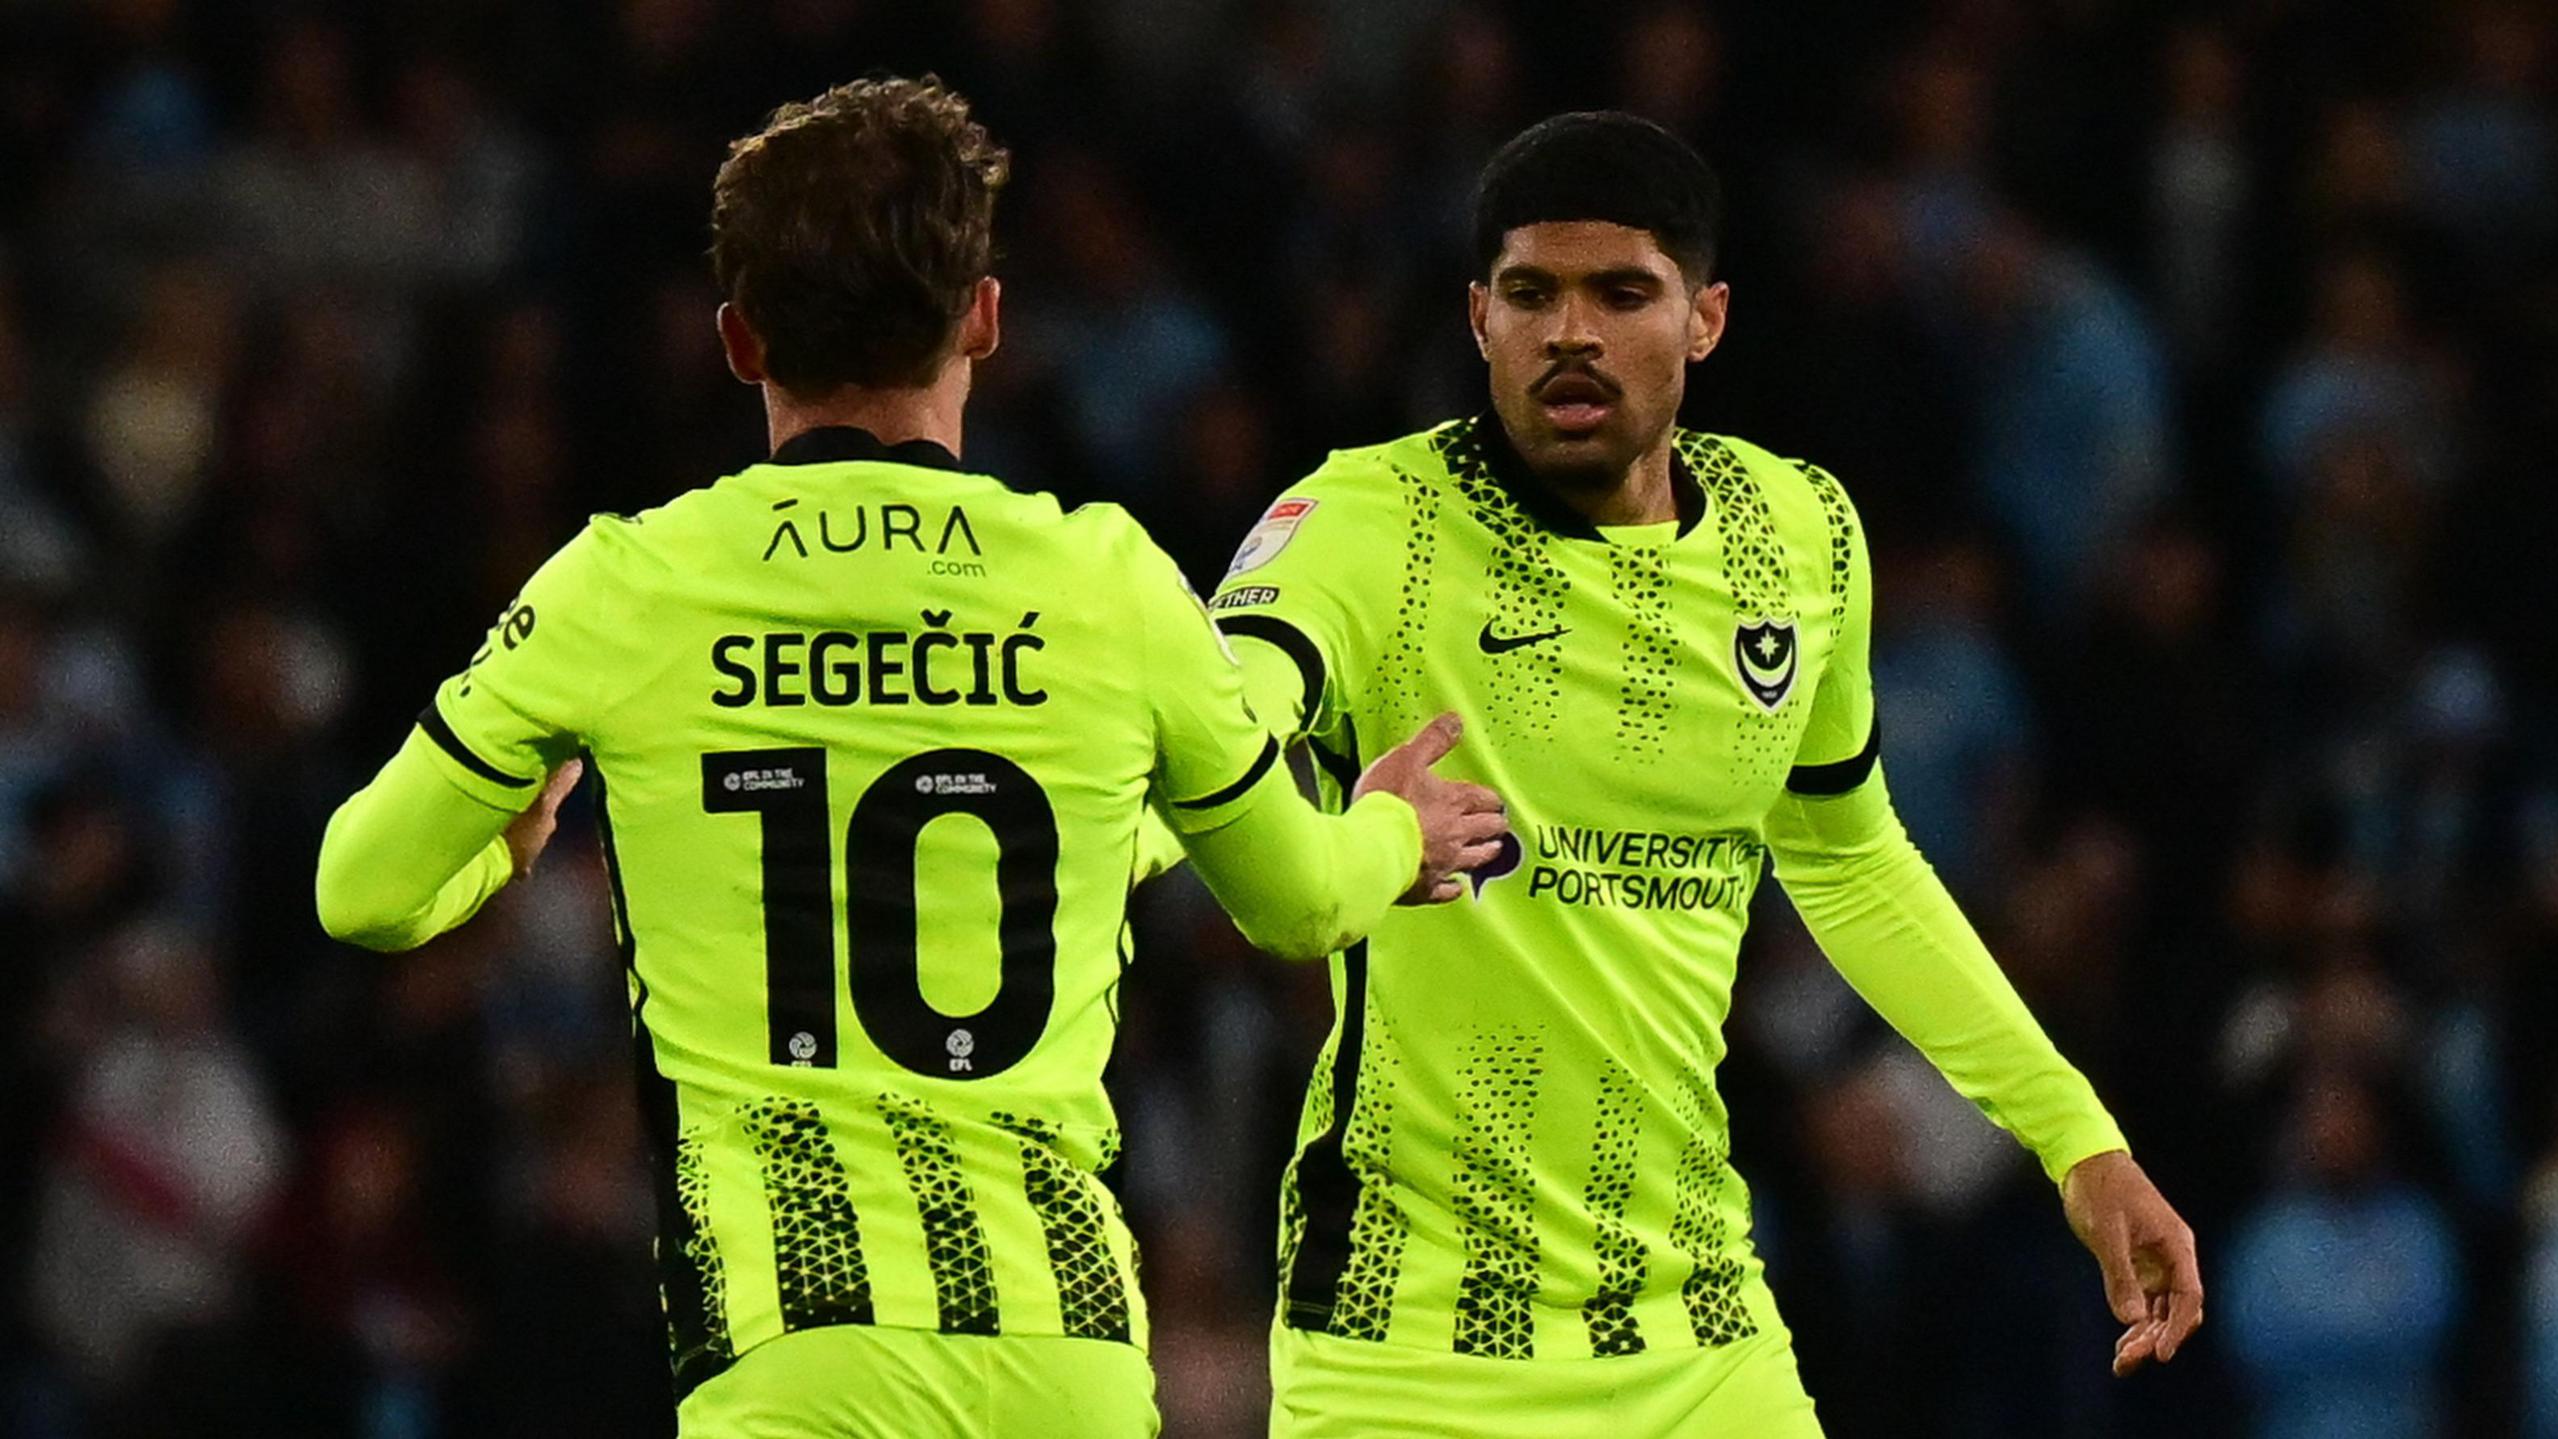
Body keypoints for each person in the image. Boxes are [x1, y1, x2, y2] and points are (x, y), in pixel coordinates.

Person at [311, 76, 1505, 1439]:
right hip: (1062, 1356)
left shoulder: (623, 590)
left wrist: (503, 851)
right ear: (984, 317)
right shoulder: (1101, 583)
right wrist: (1395, 829)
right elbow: (1299, 900)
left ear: (739, 339)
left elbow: (361, 888)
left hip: (795, 1354)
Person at [1202, 111, 2204, 1436]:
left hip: (1695, 1330)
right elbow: (1217, 722)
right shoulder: (1365, 523)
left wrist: (2079, 1141)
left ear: (1707, 318)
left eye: (1622, 294)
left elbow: (1848, 860)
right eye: (1531, 295)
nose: (1574, 332)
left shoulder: (1800, 535)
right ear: (1478, 320)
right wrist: (1307, 806)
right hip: (1413, 1343)